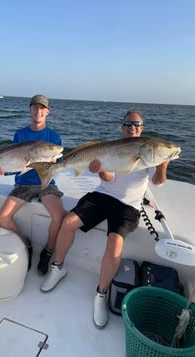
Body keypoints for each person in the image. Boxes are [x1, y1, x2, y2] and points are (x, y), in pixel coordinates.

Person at [40, 109, 169, 328]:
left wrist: (163, 163)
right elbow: (109, 179)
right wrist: (99, 171)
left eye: (136, 124)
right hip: (102, 195)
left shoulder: (146, 151)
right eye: (128, 124)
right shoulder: (112, 149)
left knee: (115, 244)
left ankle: (100, 294)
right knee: (68, 222)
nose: (132, 127)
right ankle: (58, 268)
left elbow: (157, 181)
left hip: (128, 206)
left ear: (142, 128)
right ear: (122, 127)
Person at [0, 95, 64, 274]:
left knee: (59, 217)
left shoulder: (54, 137)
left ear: (47, 112)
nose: (38, 111)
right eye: (35, 107)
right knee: (3, 217)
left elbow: (58, 164)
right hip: (23, 184)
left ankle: (48, 251)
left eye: (42, 108)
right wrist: (3, 171)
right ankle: (26, 245)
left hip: (45, 183)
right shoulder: (20, 135)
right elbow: (15, 164)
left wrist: (52, 163)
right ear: (30, 109)